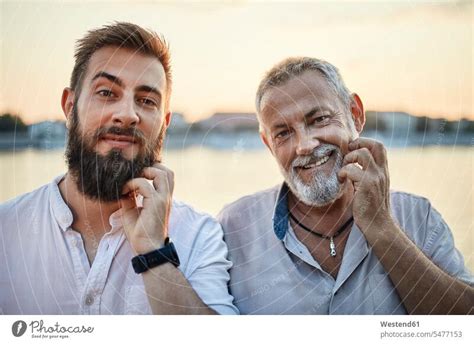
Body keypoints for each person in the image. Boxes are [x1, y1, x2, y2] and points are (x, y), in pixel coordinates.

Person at [0, 22, 237, 315]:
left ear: (163, 124)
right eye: (106, 93)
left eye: (146, 100)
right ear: (70, 106)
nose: (127, 115)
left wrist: (156, 254)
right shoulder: (5, 229)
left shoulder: (200, 235)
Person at [217, 57, 473, 314]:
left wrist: (381, 227)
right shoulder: (233, 229)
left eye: (319, 119)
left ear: (355, 114)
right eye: (283, 133)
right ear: (269, 144)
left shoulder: (418, 217)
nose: (304, 145)